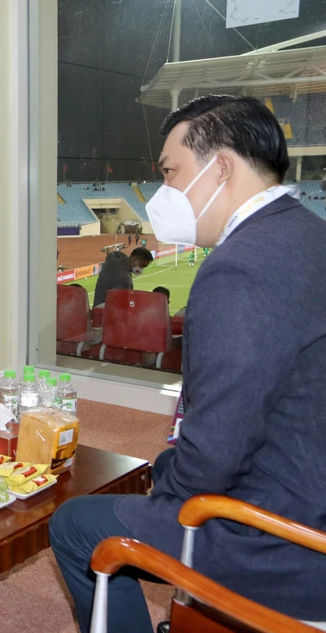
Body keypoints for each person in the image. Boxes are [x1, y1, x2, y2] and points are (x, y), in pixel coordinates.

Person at [50, 95, 326, 632]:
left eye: (170, 172)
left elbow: (214, 453)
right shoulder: (309, 235)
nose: (164, 191)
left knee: (75, 524)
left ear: (221, 168)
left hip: (282, 540)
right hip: (305, 484)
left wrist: (169, 481)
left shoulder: (239, 268)